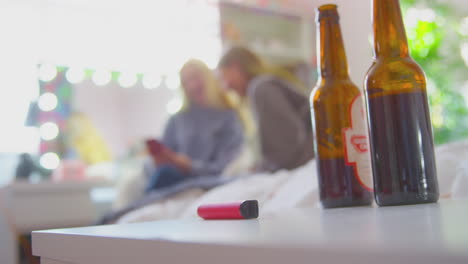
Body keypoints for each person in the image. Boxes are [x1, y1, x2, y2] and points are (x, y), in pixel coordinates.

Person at [144, 59, 243, 193]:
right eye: (185, 82)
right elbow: (160, 158)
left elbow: (225, 166)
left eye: (195, 77)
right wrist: (160, 159)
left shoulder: (228, 118)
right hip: (172, 179)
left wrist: (189, 166)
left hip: (208, 182)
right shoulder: (177, 119)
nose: (191, 85)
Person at [218, 46, 314, 172]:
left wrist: (261, 169)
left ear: (236, 67)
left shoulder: (261, 88)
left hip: (306, 163)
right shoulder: (264, 86)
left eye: (225, 77)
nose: (226, 87)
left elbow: (286, 149)